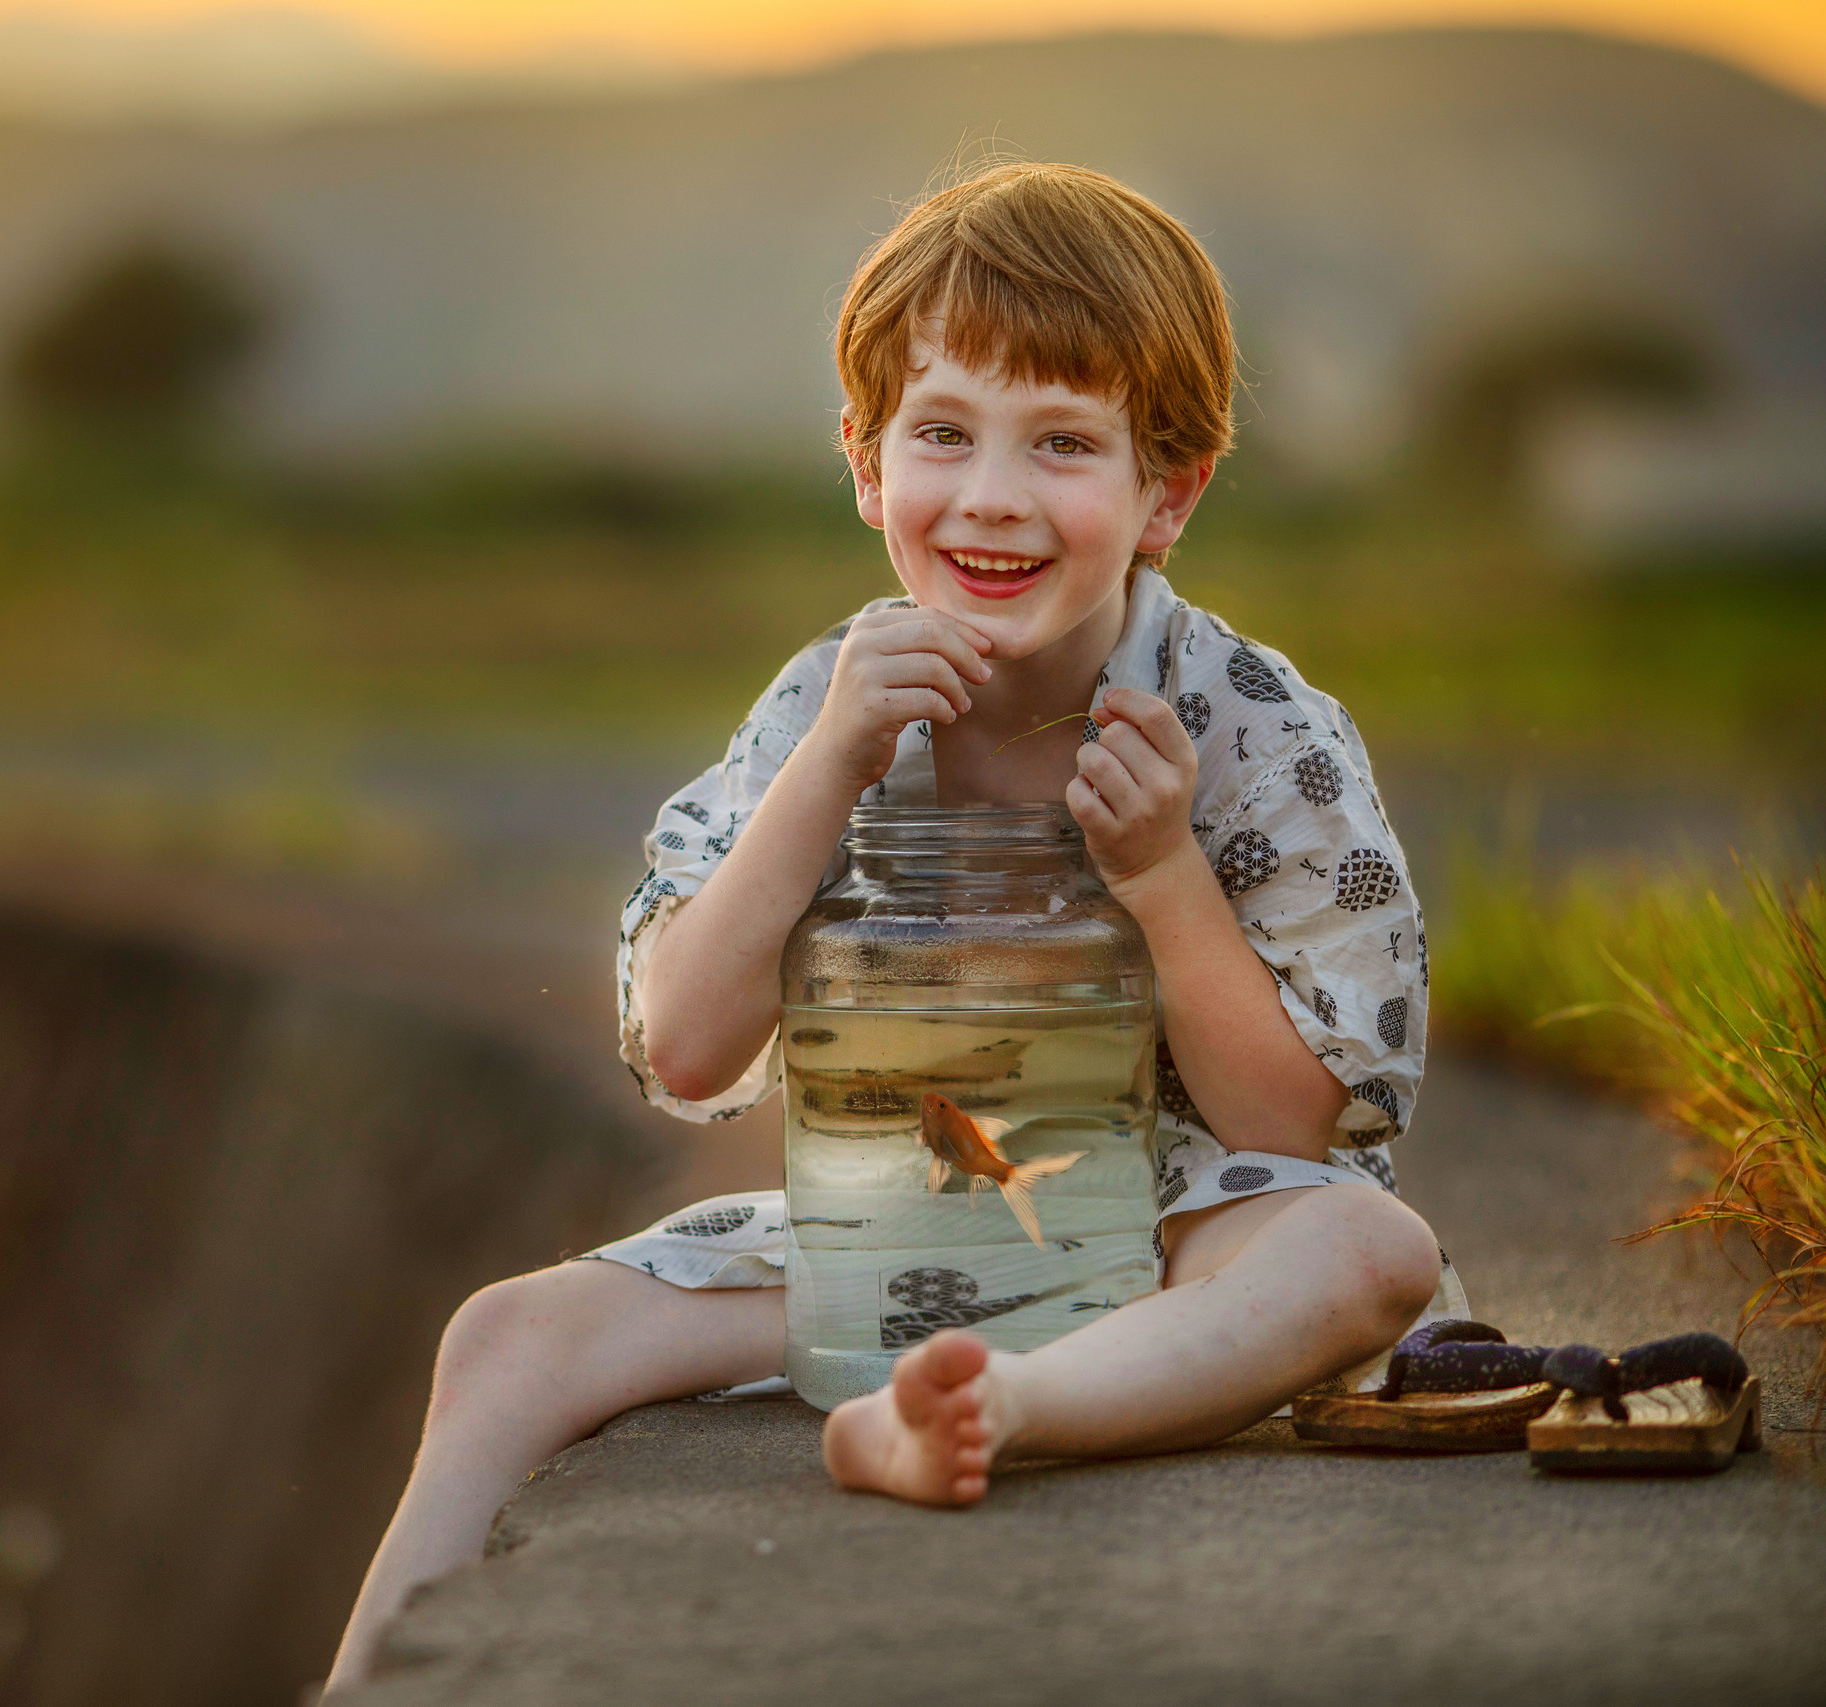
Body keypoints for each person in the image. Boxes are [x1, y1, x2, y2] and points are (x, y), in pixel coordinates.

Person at [325, 161, 1466, 1692]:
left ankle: (996, 1405)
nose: (991, 494)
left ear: (1166, 495)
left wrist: (1162, 877)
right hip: (890, 1233)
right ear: (865, 465)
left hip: (1185, 1239)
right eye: (943, 434)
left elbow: (1302, 1128)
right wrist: (825, 779)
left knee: (1367, 1253)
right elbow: (685, 1046)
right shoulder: (824, 705)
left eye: (1063, 444)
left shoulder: (1262, 733)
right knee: (505, 1340)